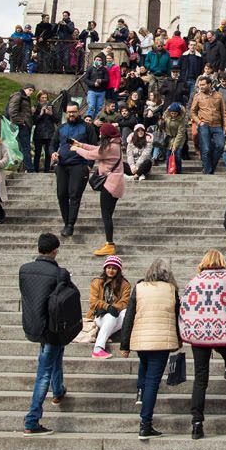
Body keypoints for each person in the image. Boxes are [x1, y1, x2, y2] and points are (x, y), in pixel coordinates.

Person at [183, 249, 226, 435]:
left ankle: (197, 423)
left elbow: (185, 306)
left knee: (200, 378)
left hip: (199, 334)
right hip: (223, 332)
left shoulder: (195, 281)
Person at [119, 258, 181, 439]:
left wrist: (125, 344)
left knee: (145, 367)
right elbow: (177, 317)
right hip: (161, 340)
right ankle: (145, 424)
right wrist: (179, 339)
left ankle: (140, 390)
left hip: (141, 339)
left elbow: (129, 315)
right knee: (153, 381)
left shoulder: (139, 287)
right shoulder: (172, 290)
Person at [19, 232, 72, 434]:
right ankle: (32, 419)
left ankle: (58, 390)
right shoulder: (59, 274)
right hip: (54, 328)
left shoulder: (24, 270)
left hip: (34, 325)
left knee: (53, 357)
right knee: (44, 373)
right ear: (55, 250)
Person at [70, 123, 125, 257]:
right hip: (115, 184)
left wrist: (76, 149)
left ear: (106, 135)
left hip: (110, 184)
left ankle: (109, 244)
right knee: (108, 214)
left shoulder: (111, 147)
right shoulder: (113, 145)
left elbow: (91, 155)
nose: (100, 135)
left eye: (101, 133)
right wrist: (80, 144)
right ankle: (109, 243)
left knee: (106, 215)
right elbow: (97, 149)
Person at [51, 102, 92, 237]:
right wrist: (53, 153)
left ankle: (70, 225)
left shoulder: (87, 127)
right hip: (62, 165)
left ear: (78, 112)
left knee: (74, 195)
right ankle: (66, 221)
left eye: (74, 112)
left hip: (79, 165)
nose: (71, 114)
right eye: (69, 112)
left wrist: (89, 165)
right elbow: (53, 144)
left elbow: (93, 146)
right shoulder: (61, 128)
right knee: (62, 194)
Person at [86, 254, 131, 359]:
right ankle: (98, 348)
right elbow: (93, 302)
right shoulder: (97, 282)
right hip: (98, 315)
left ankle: (103, 334)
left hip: (116, 313)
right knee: (111, 316)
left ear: (118, 270)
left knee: (126, 313)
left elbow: (125, 302)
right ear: (105, 268)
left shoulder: (125, 284)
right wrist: (107, 307)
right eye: (108, 268)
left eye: (114, 268)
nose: (111, 270)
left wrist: (113, 308)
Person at [189, 78, 226, 175]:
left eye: (203, 84)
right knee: (206, 149)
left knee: (220, 146)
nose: (201, 87)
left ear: (210, 84)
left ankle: (209, 168)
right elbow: (192, 112)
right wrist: (199, 122)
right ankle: (208, 172)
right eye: (200, 85)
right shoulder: (197, 96)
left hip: (217, 125)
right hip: (204, 124)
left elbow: (224, 112)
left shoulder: (219, 96)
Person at [7, 83, 36, 172]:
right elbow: (12, 111)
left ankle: (26, 168)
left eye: (33, 91)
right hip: (22, 126)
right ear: (25, 88)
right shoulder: (18, 96)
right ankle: (30, 169)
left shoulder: (25, 98)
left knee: (24, 148)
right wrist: (21, 122)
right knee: (25, 148)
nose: (31, 92)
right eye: (30, 90)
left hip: (24, 126)